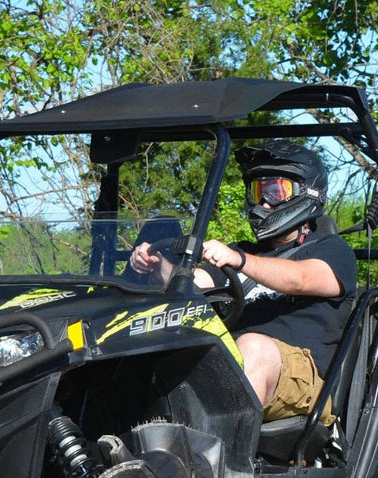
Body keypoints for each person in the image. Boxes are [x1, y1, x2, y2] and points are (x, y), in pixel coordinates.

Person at [129, 140, 357, 425]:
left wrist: (240, 261)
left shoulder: (332, 249)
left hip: (303, 379)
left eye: (275, 191)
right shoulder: (244, 250)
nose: (263, 202)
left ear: (305, 192)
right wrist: (154, 264)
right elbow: (194, 282)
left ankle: (224, 464)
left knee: (253, 347)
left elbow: (301, 279)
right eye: (258, 191)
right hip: (234, 361)